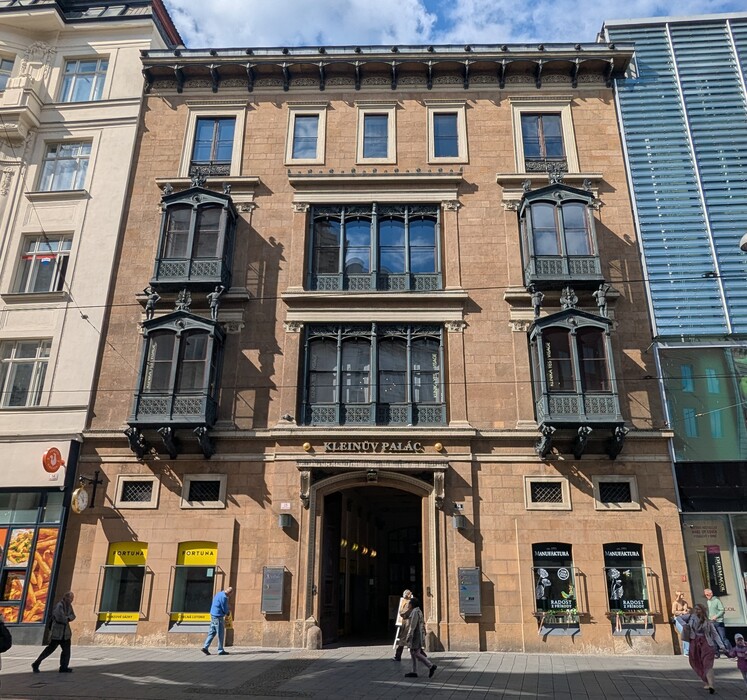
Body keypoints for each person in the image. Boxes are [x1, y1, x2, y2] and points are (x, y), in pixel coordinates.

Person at [680, 602, 726, 694]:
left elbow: (715, 634)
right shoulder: (691, 617)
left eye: (698, 609)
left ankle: (711, 685)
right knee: (696, 662)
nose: (696, 611)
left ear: (702, 610)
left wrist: (722, 646)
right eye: (695, 609)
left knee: (707, 664)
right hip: (694, 643)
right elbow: (679, 618)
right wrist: (684, 625)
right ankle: (706, 682)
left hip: (706, 643)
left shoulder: (708, 621)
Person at [32, 591, 76, 673]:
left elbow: (73, 615)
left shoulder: (69, 606)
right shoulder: (59, 605)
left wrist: (68, 618)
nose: (71, 600)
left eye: (72, 598)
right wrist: (67, 618)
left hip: (65, 633)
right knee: (50, 649)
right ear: (66, 597)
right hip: (57, 633)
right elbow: (60, 618)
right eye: (70, 598)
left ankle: (64, 667)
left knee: (66, 651)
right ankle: (36, 663)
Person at [403, 597, 436, 680]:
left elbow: (413, 625)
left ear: (412, 604)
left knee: (416, 653)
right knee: (412, 653)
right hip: (417, 635)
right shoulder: (418, 611)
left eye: (409, 603)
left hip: (415, 636)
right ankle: (414, 671)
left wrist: (409, 635)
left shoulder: (414, 612)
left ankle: (430, 666)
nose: (408, 605)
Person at [202, 586, 232, 655]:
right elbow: (224, 608)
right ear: (229, 593)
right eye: (230, 594)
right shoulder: (224, 597)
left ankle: (205, 647)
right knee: (220, 633)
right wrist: (227, 612)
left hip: (213, 615)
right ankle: (220, 650)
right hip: (218, 616)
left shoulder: (219, 593)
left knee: (212, 632)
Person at [704, 588, 731, 656]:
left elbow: (722, 610)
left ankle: (730, 652)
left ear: (711, 594)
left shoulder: (717, 600)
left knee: (722, 637)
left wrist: (716, 616)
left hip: (718, 621)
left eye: (707, 595)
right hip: (711, 622)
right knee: (713, 638)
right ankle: (716, 653)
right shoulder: (708, 601)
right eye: (705, 595)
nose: (706, 596)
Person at [393, 589, 413, 662]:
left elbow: (401, 612)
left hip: (408, 621)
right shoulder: (408, 602)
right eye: (409, 593)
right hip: (407, 622)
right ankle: (398, 655)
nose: (411, 595)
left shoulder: (408, 602)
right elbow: (402, 612)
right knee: (405, 637)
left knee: (404, 638)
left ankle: (398, 656)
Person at [672, 590, 691, 655]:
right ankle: (686, 651)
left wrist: (687, 610)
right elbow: (673, 611)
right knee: (684, 632)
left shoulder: (684, 602)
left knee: (686, 633)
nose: (683, 596)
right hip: (678, 619)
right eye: (681, 595)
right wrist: (682, 612)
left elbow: (686, 609)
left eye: (683, 594)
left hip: (685, 619)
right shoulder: (675, 603)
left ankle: (688, 650)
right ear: (678, 596)